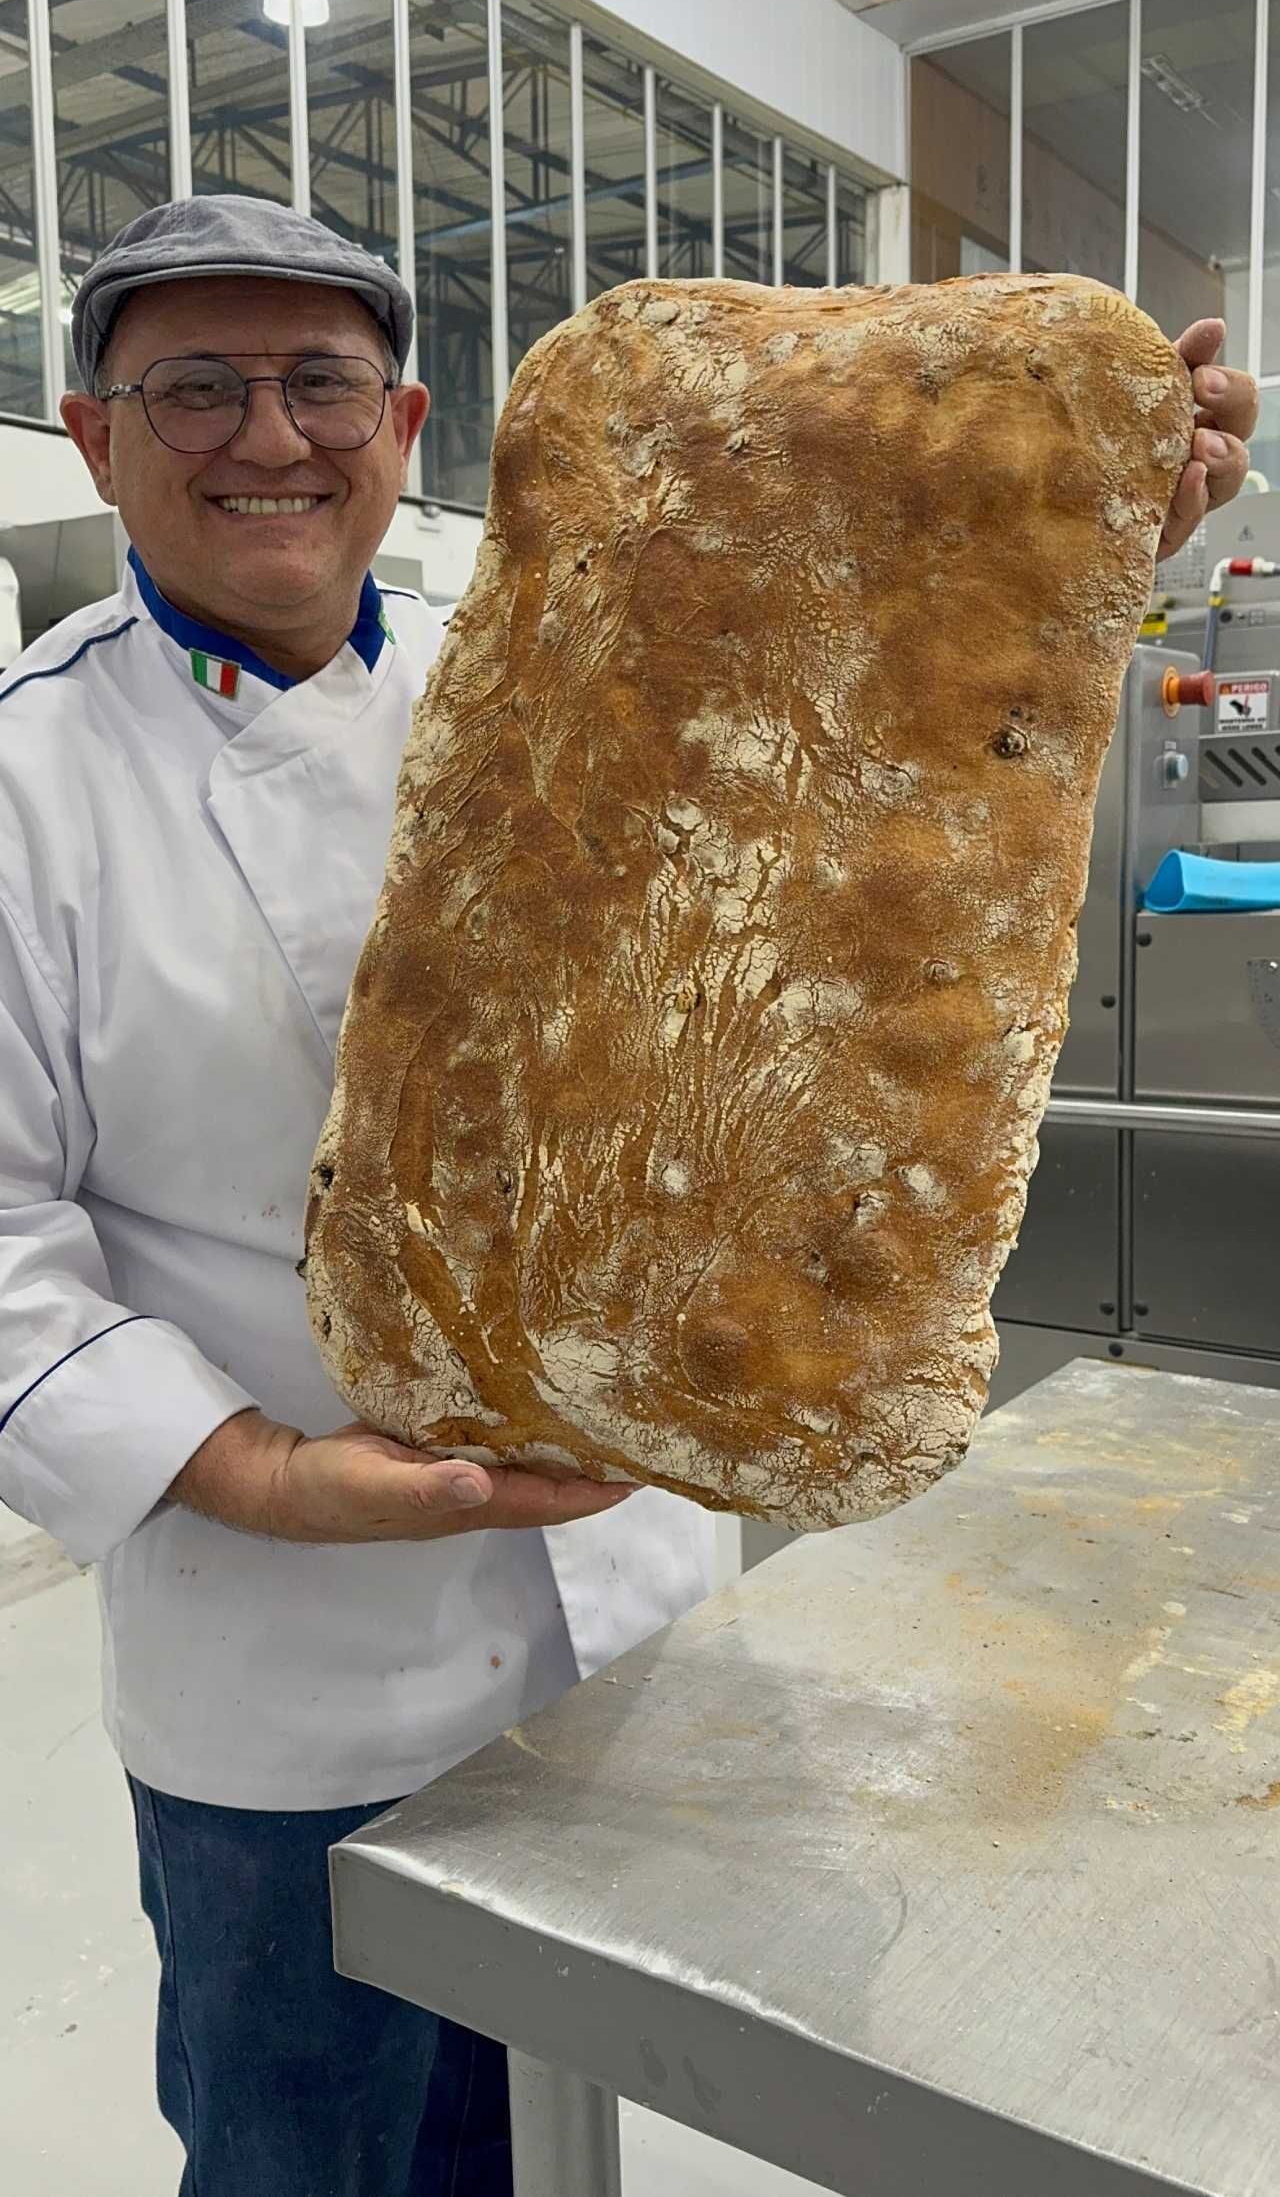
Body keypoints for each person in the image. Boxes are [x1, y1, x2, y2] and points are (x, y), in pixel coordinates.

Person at [0, 192, 1258, 2197]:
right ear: (92, 435)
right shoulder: (29, 779)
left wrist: (1084, 515)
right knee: (310, 2157)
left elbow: (873, 731)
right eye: (195, 386)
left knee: (571, 2128)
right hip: (288, 1674)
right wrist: (265, 1477)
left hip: (635, 1623)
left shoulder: (571, 640)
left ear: (405, 420)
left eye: (317, 380)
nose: (267, 436)